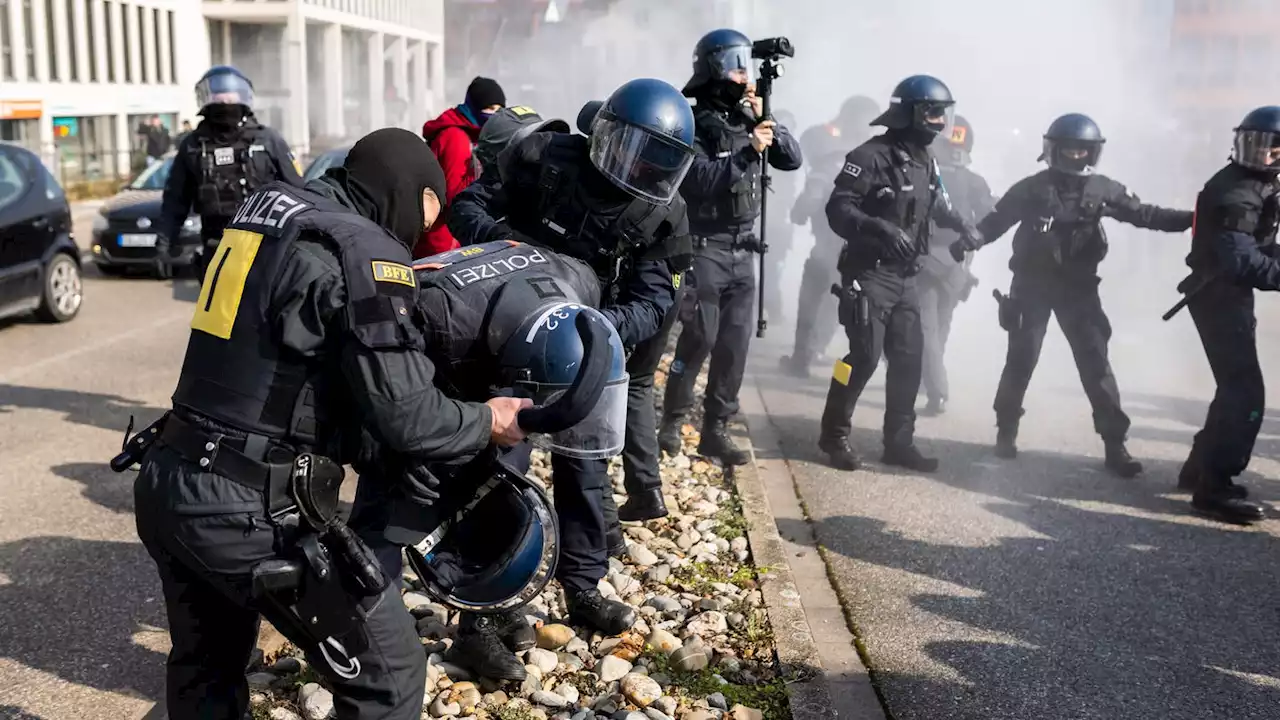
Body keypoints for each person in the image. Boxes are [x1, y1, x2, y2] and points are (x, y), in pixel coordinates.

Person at [131, 128, 530, 720]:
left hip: (169, 476)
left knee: (206, 668)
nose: (420, 235)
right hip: (246, 510)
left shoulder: (267, 211)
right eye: (428, 216)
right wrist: (487, 420)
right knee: (391, 677)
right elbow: (410, 417)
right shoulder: (365, 250)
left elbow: (291, 368)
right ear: (417, 196)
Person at [449, 77, 696, 635]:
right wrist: (507, 246)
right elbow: (466, 205)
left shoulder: (661, 214)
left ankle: (582, 587)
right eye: (630, 150)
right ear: (604, 132)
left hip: (583, 350)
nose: (637, 169)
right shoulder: (544, 157)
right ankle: (484, 613)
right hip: (506, 340)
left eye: (654, 162)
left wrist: (596, 329)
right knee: (497, 473)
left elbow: (655, 302)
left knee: (585, 473)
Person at [348, 239, 621, 681]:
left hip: (490, 350)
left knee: (501, 489)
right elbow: (373, 394)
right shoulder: (428, 309)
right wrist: (395, 453)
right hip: (425, 356)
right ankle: (366, 644)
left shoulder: (579, 281)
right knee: (390, 498)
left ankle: (482, 624)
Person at [951, 113, 1192, 476]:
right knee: (1022, 358)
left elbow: (1146, 215)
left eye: (1083, 150)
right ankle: (1006, 429)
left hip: (1079, 290)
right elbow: (994, 223)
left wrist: (1196, 218)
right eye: (1069, 150)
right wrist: (971, 239)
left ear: (1093, 153)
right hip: (1031, 286)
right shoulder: (1031, 188)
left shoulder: (1104, 189)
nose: (1076, 156)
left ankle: (1115, 445)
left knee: (1096, 364)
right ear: (1053, 150)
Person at [817, 75, 981, 473]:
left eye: (944, 112)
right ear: (908, 112)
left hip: (909, 278)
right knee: (862, 357)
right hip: (869, 275)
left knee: (910, 361)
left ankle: (899, 442)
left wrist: (964, 226)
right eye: (932, 112)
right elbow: (837, 209)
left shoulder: (928, 159)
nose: (940, 121)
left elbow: (937, 204)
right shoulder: (870, 156)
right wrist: (881, 228)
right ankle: (834, 435)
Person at [658, 28, 803, 467]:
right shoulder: (694, 122)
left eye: (746, 64)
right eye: (734, 64)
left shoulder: (748, 119)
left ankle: (715, 429)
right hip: (706, 248)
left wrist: (766, 120)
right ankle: (671, 420)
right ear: (713, 68)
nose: (743, 73)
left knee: (735, 344)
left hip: (744, 252)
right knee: (700, 336)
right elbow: (697, 179)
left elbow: (791, 158)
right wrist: (744, 155)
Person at [1173, 106, 1280, 524]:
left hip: (1224, 293)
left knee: (1231, 386)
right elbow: (1242, 260)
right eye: (1257, 146)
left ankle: (1198, 468)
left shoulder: (1257, 183)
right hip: (1218, 295)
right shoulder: (1236, 191)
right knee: (1245, 392)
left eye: (1272, 148)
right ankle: (1214, 488)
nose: (1263, 155)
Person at [158, 65, 304, 281]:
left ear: (243, 98)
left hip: (267, 247)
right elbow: (175, 199)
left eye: (230, 97)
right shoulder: (193, 146)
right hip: (217, 248)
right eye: (218, 97)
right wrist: (164, 242)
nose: (224, 102)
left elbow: (298, 191)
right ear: (207, 100)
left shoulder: (267, 140)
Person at [780, 95, 881, 378]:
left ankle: (803, 357)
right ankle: (823, 353)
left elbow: (807, 204)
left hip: (826, 249)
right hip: (861, 256)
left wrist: (799, 213)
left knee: (812, 301)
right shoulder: (882, 165)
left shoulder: (834, 162)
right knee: (841, 306)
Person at [917, 115, 994, 415]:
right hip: (957, 268)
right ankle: (931, 382)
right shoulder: (976, 182)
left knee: (926, 329)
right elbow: (988, 221)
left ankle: (936, 389)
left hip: (924, 262)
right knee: (941, 327)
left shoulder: (923, 174)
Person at [420, 76, 506, 257]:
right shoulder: (456, 138)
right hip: (444, 240)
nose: (494, 115)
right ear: (473, 107)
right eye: (489, 108)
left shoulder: (473, 136)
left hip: (451, 237)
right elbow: (455, 197)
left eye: (500, 110)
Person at [762, 108, 800, 325]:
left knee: (773, 269)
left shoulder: (785, 154)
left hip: (777, 222)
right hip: (763, 218)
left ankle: (773, 309)